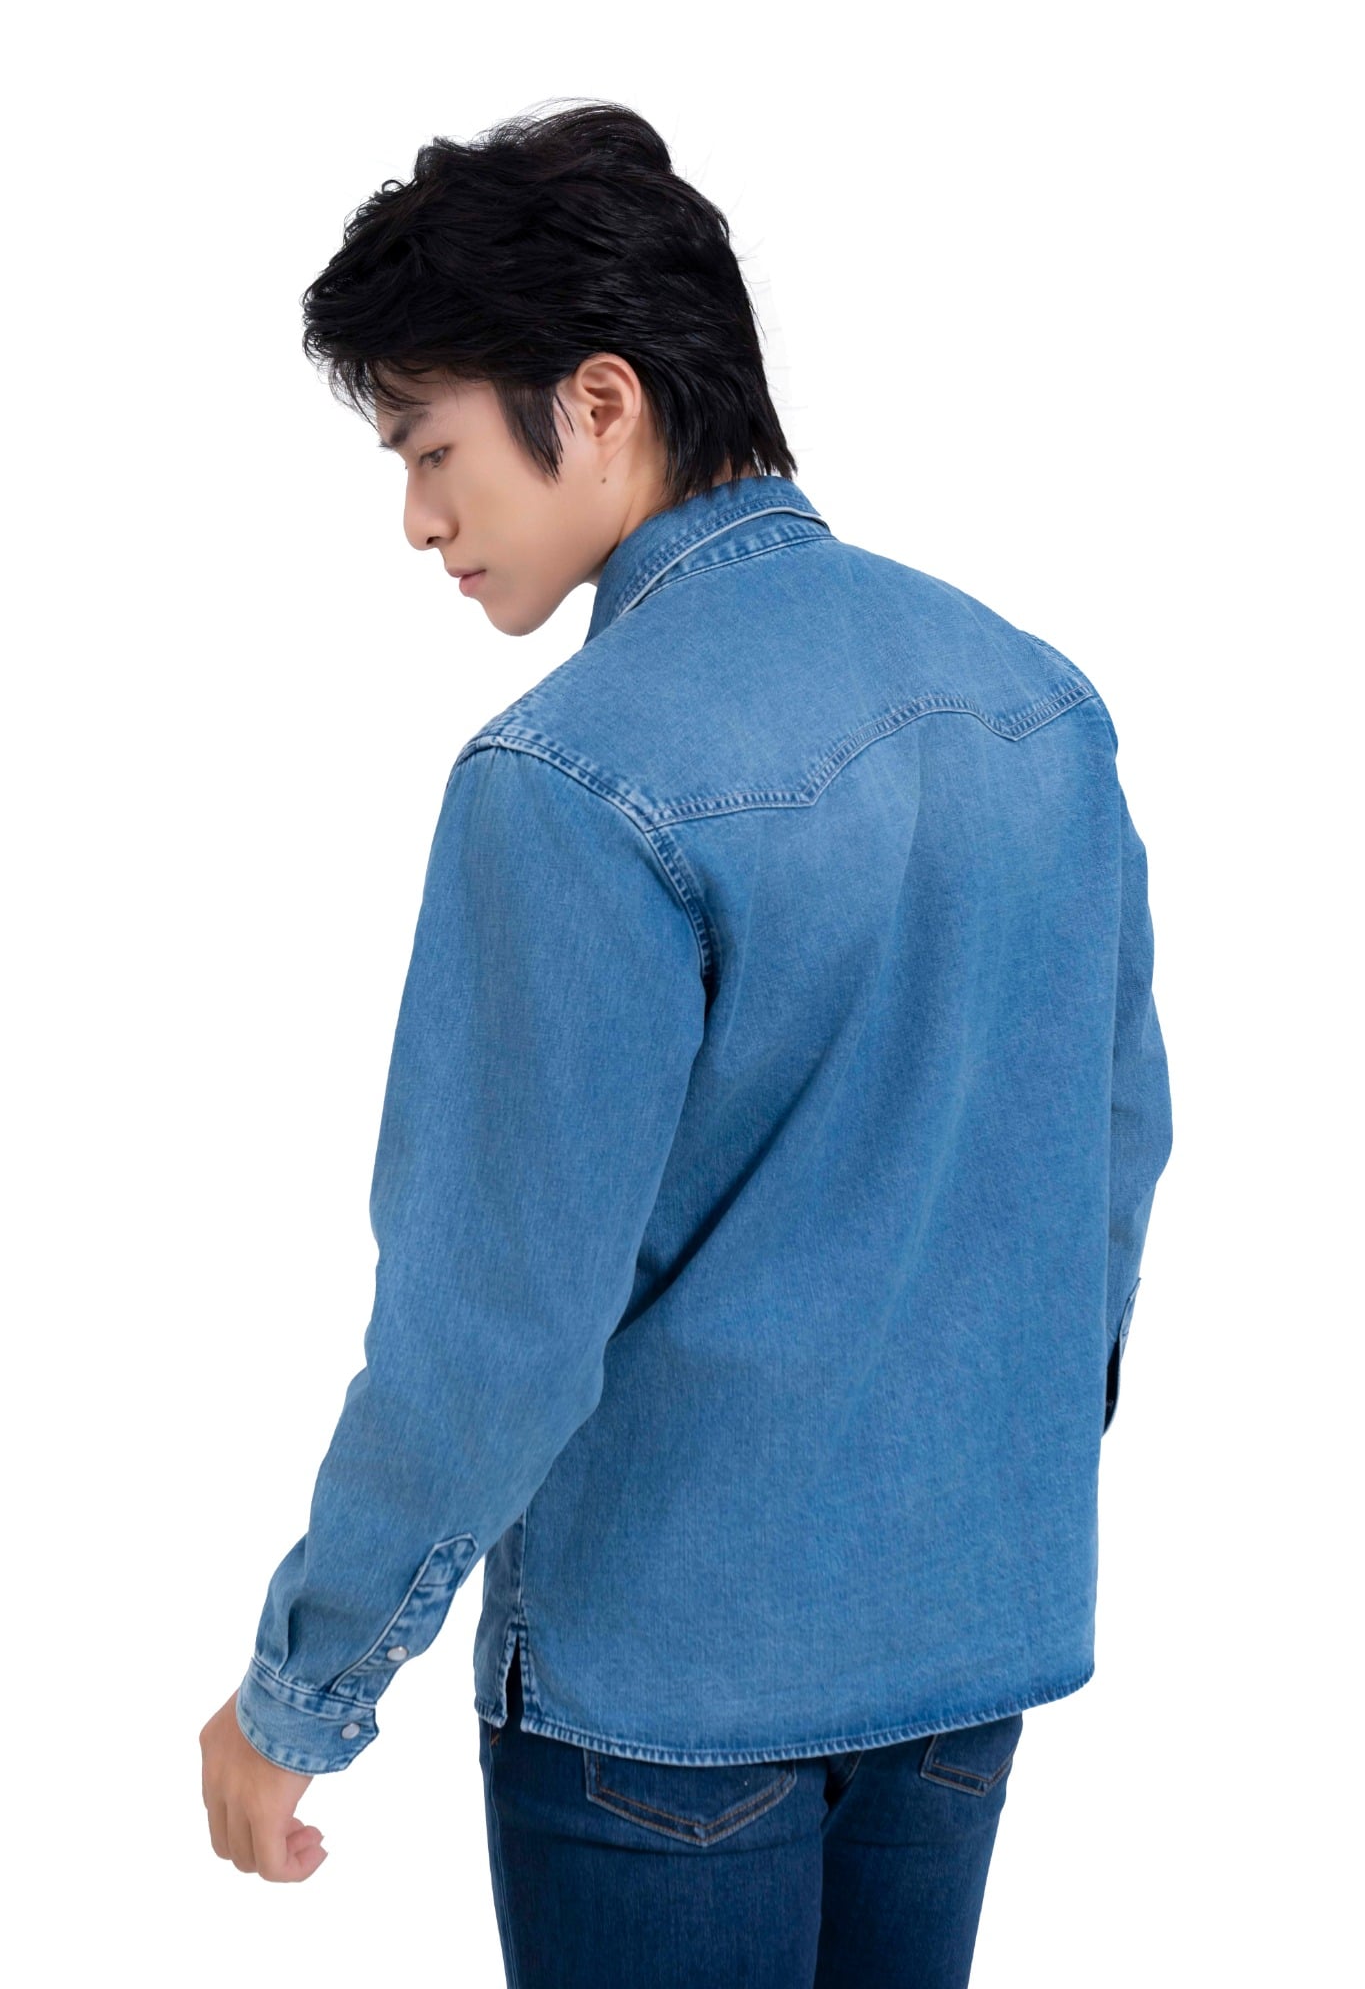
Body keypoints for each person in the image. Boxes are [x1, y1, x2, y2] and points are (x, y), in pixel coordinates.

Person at [199, 98, 1173, 1987]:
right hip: (964, 1655)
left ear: (598, 401)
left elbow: (492, 1327)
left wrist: (301, 1687)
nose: (416, 519)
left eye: (430, 448)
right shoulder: (1032, 701)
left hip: (664, 1701)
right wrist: (985, 1464)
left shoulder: (570, 779)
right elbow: (1105, 1157)